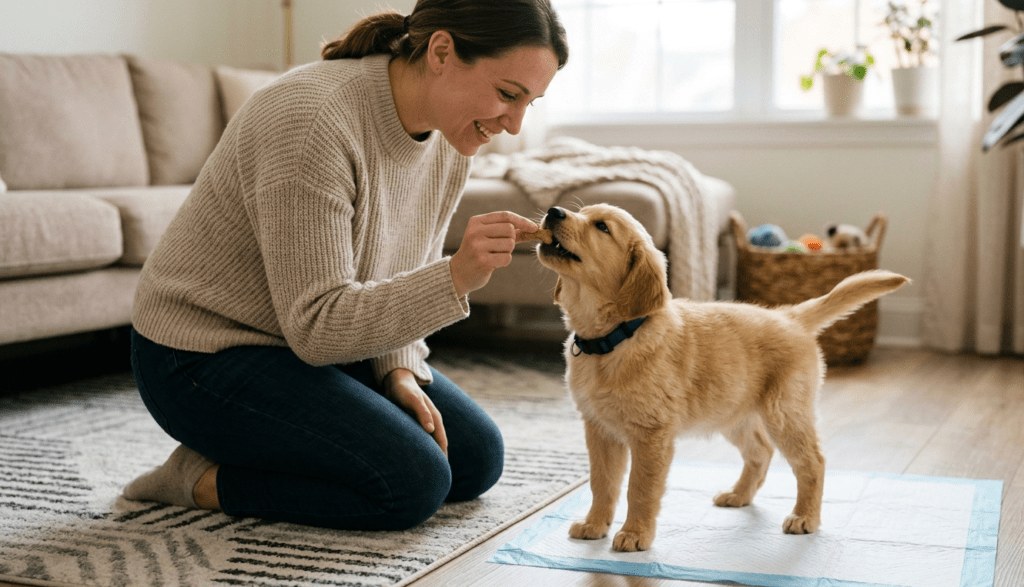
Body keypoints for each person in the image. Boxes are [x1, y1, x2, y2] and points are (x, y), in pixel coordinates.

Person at [122, 0, 568, 531]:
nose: (515, 125)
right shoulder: (312, 120)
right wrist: (454, 277)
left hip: (301, 346)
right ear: (442, 51)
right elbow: (317, 325)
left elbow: (398, 265)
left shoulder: (452, 137)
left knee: (473, 460)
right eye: (507, 94)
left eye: (530, 104)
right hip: (200, 356)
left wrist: (398, 369)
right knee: (412, 483)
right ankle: (196, 479)